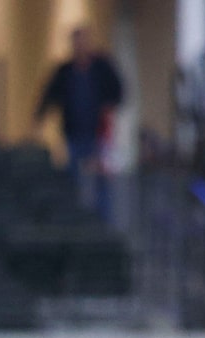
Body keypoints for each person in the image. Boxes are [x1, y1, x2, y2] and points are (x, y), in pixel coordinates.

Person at [37, 25, 125, 220]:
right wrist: (38, 120)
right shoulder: (65, 71)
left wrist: (108, 106)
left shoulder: (102, 67)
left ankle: (103, 221)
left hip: (98, 133)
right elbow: (49, 95)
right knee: (73, 180)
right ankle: (76, 220)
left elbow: (118, 90)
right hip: (73, 133)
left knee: (101, 181)